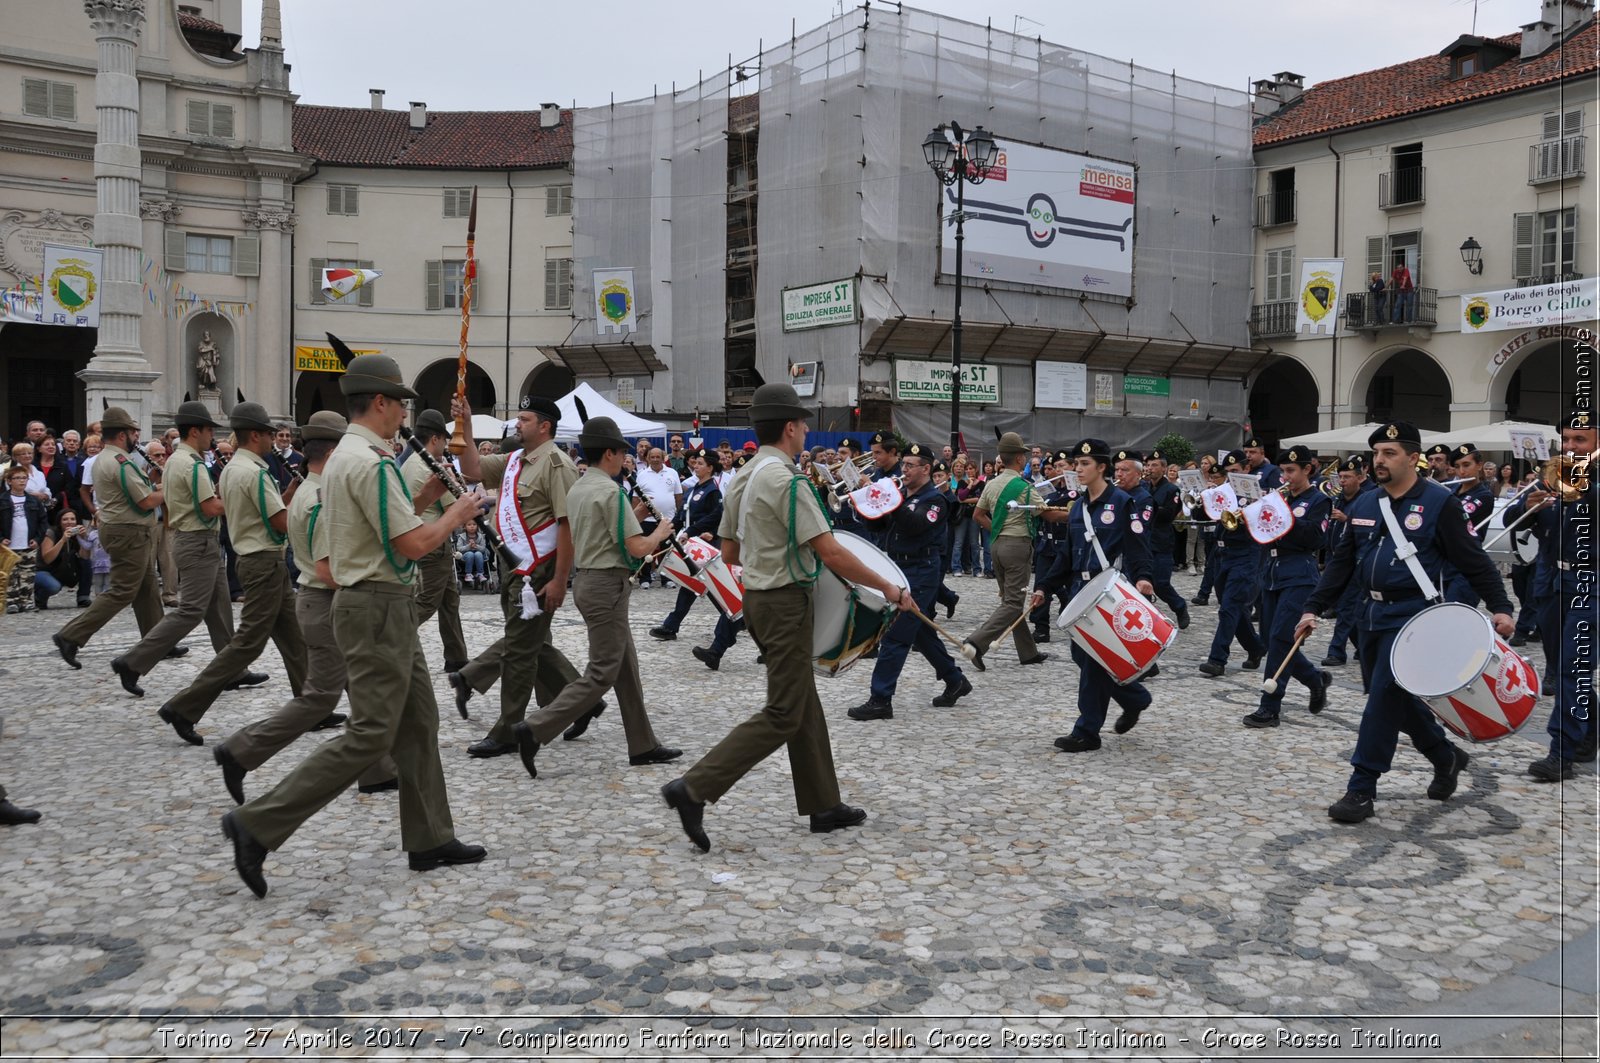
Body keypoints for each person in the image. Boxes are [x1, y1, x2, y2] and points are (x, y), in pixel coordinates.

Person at [221, 352, 489, 897]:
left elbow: (387, 523)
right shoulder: (369, 461)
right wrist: (459, 515)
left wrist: (432, 500)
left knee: (419, 723)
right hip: (375, 606)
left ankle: (430, 836)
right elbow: (411, 542)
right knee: (372, 732)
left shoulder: (352, 455)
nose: (403, 418)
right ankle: (258, 824)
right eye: (400, 406)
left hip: (380, 602)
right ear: (383, 403)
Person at [660, 383, 913, 852]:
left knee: (802, 701)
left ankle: (823, 803)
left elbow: (730, 551)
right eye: (803, 425)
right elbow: (832, 551)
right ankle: (694, 787)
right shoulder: (788, 481)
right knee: (783, 711)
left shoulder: (745, 475)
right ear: (792, 428)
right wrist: (891, 588)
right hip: (784, 603)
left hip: (756, 599)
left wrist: (771, 550)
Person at [1296, 421, 1514, 823]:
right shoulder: (1364, 503)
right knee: (1395, 699)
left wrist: (1502, 606)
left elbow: (1473, 559)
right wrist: (1313, 606)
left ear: (1414, 458)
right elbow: (1342, 562)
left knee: (1382, 699)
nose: (1380, 460)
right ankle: (1444, 755)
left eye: (1390, 453)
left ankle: (1361, 787)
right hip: (1369, 614)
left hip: (1414, 620)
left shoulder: (1438, 503)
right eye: (1377, 453)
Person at [212, 412, 398, 805]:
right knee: (319, 698)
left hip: (319, 601)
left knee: (364, 691)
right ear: (331, 454)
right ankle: (241, 750)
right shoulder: (318, 498)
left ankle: (378, 770)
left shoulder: (311, 491)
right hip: (325, 601)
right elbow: (329, 567)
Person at [510, 415, 681, 778]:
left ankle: (643, 743)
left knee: (626, 667)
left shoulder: (581, 487)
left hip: (589, 581)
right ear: (609, 453)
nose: (624, 459)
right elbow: (636, 548)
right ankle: (536, 728)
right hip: (607, 585)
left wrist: (633, 514)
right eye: (621, 452)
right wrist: (660, 532)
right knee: (603, 671)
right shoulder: (610, 491)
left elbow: (604, 530)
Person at [153, 402, 309, 745]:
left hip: (261, 558)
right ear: (255, 435)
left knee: (293, 636)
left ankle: (312, 704)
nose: (273, 439)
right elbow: (280, 521)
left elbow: (265, 510)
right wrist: (313, 517)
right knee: (246, 644)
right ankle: (183, 706)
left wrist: (291, 495)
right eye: (269, 433)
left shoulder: (237, 468)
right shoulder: (254, 471)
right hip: (263, 560)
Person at [451, 397, 591, 750]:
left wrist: (560, 580)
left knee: (518, 651)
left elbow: (566, 525)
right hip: (514, 566)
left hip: (539, 571)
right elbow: (472, 469)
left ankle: (508, 731)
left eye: (524, 419)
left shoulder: (557, 464)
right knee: (531, 643)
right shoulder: (515, 459)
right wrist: (465, 423)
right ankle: (582, 702)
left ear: (544, 426)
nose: (517, 423)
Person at [1030, 438, 1155, 752]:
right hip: (1079, 590)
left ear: (1102, 467)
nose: (1078, 469)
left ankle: (1086, 731)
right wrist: (1044, 586)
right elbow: (1067, 556)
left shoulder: (1123, 502)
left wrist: (1143, 579)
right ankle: (1135, 697)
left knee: (1096, 662)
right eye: (1076, 463)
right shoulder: (1078, 508)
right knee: (1081, 656)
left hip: (1107, 592)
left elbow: (1138, 548)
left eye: (1085, 464)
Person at [847, 442, 970, 720]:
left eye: (910, 466)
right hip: (897, 567)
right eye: (904, 465)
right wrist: (866, 499)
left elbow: (915, 526)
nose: (904, 470)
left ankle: (880, 699)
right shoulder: (901, 494)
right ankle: (955, 679)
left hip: (922, 569)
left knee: (896, 634)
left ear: (926, 469)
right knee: (920, 631)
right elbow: (877, 526)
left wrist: (889, 498)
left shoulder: (934, 500)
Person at [1516, 408, 1597, 780]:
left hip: (1591, 584)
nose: (1570, 446)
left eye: (1579, 439)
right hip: (1552, 583)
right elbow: (1509, 523)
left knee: (1572, 668)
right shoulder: (1552, 478)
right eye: (1565, 439)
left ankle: (1560, 752)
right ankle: (1588, 735)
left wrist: (1582, 488)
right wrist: (1528, 505)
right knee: (1563, 665)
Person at [51, 407, 164, 669]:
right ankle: (70, 635)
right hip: (128, 531)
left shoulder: (108, 458)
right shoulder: (120, 461)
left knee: (147, 588)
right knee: (123, 590)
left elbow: (138, 490)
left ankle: (159, 641)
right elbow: (146, 500)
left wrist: (154, 482)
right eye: (134, 432)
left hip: (125, 528)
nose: (137, 436)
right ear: (123, 434)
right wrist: (174, 489)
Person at [1242, 447, 1332, 727]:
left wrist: (1286, 518)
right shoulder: (1279, 498)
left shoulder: (1319, 500)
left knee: (1282, 637)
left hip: (1299, 573)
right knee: (1271, 639)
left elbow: (1316, 538)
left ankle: (1269, 706)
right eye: (1283, 471)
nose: (1285, 476)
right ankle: (1315, 679)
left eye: (1291, 471)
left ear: (1308, 470)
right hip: (1271, 571)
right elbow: (1263, 534)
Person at [961, 432, 1060, 670]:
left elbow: (978, 515)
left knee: (1010, 600)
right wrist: (1074, 514)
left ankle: (1028, 653)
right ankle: (976, 642)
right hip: (1017, 547)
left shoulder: (991, 483)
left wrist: (997, 528)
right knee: (1014, 604)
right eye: (1024, 455)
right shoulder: (1023, 487)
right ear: (1018, 459)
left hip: (996, 546)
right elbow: (1047, 513)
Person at [401, 407, 478, 675]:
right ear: (435, 439)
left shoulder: (409, 462)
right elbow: (453, 507)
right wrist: (460, 488)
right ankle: (392, 641)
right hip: (434, 542)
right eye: (444, 440)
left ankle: (456, 657)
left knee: (449, 601)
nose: (446, 445)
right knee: (426, 602)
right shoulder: (430, 466)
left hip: (425, 539)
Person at [1196, 451, 1265, 677]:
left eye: (1236, 472)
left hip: (1246, 553)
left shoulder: (1257, 492)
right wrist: (1201, 498)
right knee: (1233, 609)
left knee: (1229, 608)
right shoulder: (1224, 490)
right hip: (1222, 553)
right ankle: (1255, 648)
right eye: (1229, 473)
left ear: (1246, 470)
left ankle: (1217, 659)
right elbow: (1200, 514)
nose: (1231, 476)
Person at [650, 447, 723, 641]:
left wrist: (700, 532)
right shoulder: (693, 489)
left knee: (708, 586)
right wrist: (671, 526)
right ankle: (671, 626)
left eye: (700, 464)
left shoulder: (713, 491)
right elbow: (682, 514)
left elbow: (716, 517)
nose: (695, 466)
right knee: (692, 585)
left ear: (710, 468)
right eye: (695, 463)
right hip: (691, 543)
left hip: (706, 545)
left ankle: (735, 619)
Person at [1320, 456, 1370, 667]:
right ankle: (1363, 646)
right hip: (1336, 558)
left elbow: (1368, 527)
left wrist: (1346, 519)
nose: (1342, 481)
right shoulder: (1338, 499)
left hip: (1356, 561)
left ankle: (1336, 651)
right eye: (1340, 477)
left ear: (1360, 478)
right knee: (1346, 608)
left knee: (1347, 607)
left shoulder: (1367, 499)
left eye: (1347, 477)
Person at [1141, 449, 1192, 632]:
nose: (1150, 468)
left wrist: (1148, 503)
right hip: (1143, 541)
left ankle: (1179, 606)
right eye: (1148, 465)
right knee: (1141, 583)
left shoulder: (1172, 490)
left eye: (1154, 465)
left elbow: (1168, 514)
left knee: (1161, 584)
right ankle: (1145, 621)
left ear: (1163, 468)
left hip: (1161, 541)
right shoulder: (1144, 487)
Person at [1442, 443, 1495, 608]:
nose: (1462, 472)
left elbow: (1457, 517)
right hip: (1445, 561)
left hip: (1467, 563)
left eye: (1466, 465)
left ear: (1479, 465)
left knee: (1456, 612)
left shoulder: (1483, 495)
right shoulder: (1452, 491)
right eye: (1457, 467)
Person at [632, 446, 682, 589]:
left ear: (663, 458)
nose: (655, 459)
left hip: (667, 519)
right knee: (646, 548)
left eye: (657, 457)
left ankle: (667, 578)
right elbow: (636, 498)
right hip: (647, 519)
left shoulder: (672, 473)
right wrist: (636, 515)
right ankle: (645, 578)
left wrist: (676, 514)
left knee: (667, 550)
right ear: (647, 458)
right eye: (652, 457)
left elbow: (678, 496)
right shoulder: (641, 474)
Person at [0, 464, 47, 613]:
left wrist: (38, 539)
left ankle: (26, 601)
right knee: (11, 575)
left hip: (28, 543)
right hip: (8, 545)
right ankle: (12, 601)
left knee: (28, 574)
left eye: (24, 478)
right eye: (17, 478)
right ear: (9, 481)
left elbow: (42, 521)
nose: (21, 481)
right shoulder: (2, 500)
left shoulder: (33, 501)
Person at [36, 508, 92, 609]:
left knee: (87, 563)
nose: (69, 522)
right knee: (54, 586)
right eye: (65, 519)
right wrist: (62, 540)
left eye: (72, 519)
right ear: (59, 521)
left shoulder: (77, 535)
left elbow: (85, 557)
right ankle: (39, 597)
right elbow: (47, 559)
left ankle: (83, 597)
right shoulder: (51, 533)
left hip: (63, 569)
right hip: (45, 571)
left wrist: (83, 539)